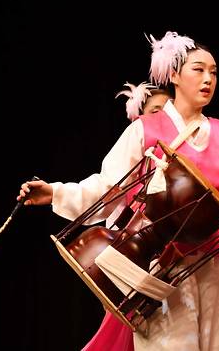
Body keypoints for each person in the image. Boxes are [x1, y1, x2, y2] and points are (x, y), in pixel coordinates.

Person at [18, 31, 219, 351]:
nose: (208, 79)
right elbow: (109, 187)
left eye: (214, 72)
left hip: (216, 263)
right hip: (161, 265)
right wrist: (55, 193)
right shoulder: (145, 130)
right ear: (174, 74)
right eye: (198, 70)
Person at [80, 83, 173, 351]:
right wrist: (55, 193)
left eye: (168, 111)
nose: (163, 118)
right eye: (155, 111)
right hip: (135, 257)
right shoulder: (131, 174)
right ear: (139, 119)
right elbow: (105, 193)